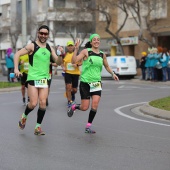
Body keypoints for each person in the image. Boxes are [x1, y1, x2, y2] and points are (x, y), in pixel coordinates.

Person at [14, 25, 62, 136]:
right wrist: (16, 68)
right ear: (38, 33)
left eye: (45, 34)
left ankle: (37, 127)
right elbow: (17, 54)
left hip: (44, 79)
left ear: (48, 35)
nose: (43, 35)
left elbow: (58, 63)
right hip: (33, 78)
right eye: (41, 33)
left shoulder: (50, 48)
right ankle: (24, 116)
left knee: (43, 102)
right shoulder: (32, 46)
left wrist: (60, 55)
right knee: (33, 103)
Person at [67, 34, 119, 134]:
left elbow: (107, 66)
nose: (96, 41)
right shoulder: (86, 51)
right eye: (94, 40)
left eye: (98, 40)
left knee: (95, 105)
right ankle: (74, 107)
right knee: (84, 107)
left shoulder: (102, 54)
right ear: (91, 42)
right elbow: (74, 61)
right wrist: (76, 49)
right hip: (85, 82)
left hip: (96, 83)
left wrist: (113, 74)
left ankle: (88, 126)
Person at [61, 40, 81, 107]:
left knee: (74, 90)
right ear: (67, 47)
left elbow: (81, 62)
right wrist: (63, 67)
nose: (70, 47)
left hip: (75, 73)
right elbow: (61, 62)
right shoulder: (65, 55)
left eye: (71, 45)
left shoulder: (77, 53)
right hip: (68, 73)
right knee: (68, 87)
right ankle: (69, 101)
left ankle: (72, 94)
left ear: (73, 46)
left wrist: (77, 65)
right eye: (69, 46)